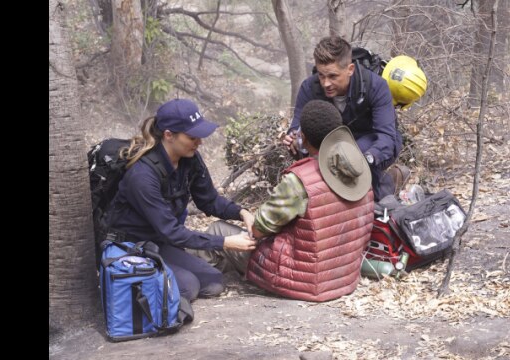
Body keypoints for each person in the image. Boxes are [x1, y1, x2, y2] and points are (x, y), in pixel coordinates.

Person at [217, 100, 375, 302]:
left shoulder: (299, 180)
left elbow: (259, 229)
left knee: (218, 231)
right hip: (343, 278)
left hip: (304, 279)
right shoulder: (359, 169)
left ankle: (198, 283)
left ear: (303, 137)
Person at [104, 98, 257, 302]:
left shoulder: (189, 159)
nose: (199, 142)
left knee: (213, 283)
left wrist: (242, 212)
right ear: (169, 135)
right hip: (132, 246)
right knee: (188, 288)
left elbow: (209, 200)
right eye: (193, 137)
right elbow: (172, 231)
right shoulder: (142, 175)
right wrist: (225, 242)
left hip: (161, 242)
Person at [282, 36, 401, 202]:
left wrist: (366, 159)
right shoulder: (309, 87)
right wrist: (293, 138)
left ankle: (383, 187)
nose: (326, 84)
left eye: (332, 76)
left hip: (369, 142)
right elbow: (298, 126)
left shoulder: (376, 86)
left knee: (353, 160)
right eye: (321, 76)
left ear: (350, 69)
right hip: (330, 143)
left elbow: (387, 137)